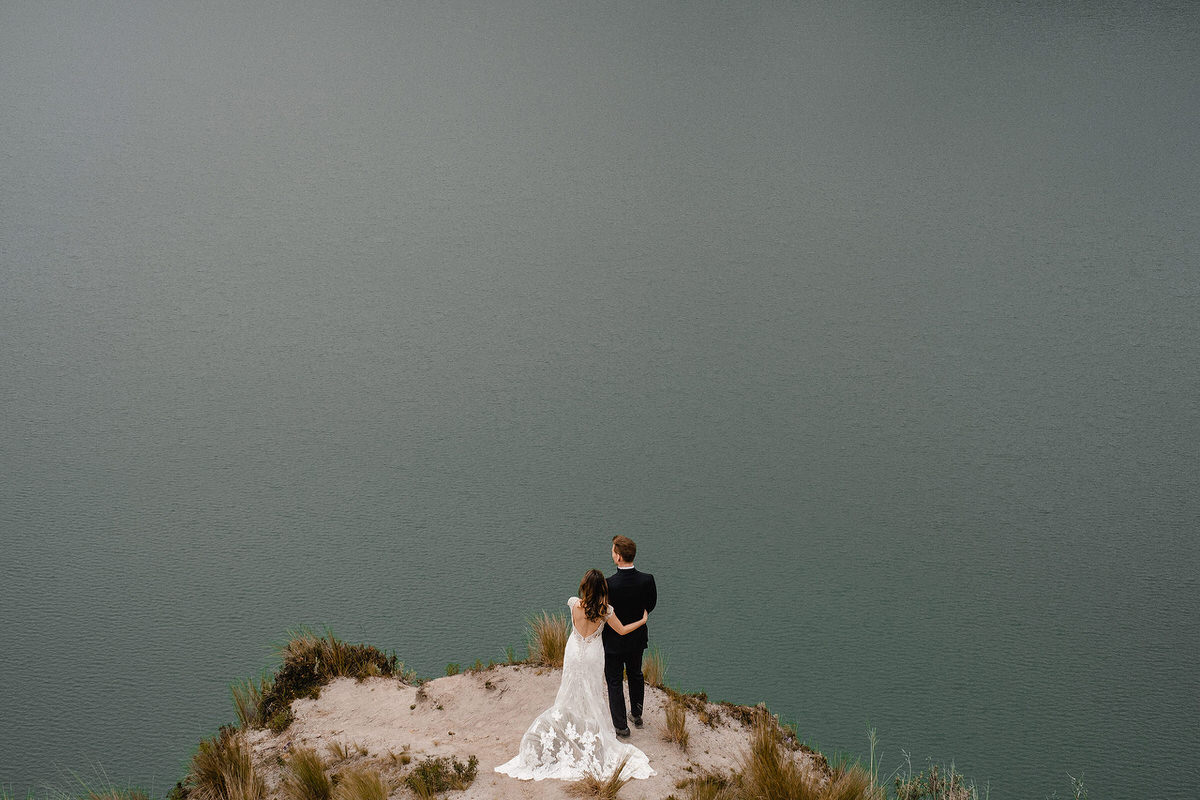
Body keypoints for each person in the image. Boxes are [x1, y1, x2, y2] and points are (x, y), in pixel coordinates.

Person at [494, 569, 656, 782]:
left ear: (584, 587)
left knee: (569, 689)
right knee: (592, 693)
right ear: (603, 590)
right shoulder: (606, 610)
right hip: (592, 655)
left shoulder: (574, 604)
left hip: (573, 652)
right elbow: (623, 630)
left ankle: (569, 729)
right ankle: (588, 732)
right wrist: (642, 621)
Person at [603, 535, 657, 737]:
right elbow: (650, 605)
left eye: (612, 551)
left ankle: (621, 726)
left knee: (614, 680)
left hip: (613, 641)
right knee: (636, 674)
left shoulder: (609, 584)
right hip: (637, 638)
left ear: (618, 557)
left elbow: (604, 612)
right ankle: (637, 714)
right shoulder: (647, 579)